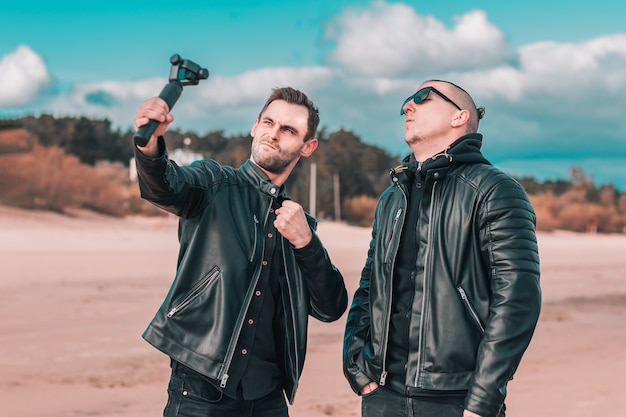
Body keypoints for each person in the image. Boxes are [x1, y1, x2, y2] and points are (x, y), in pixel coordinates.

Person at [133, 86, 348, 417]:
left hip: (268, 398)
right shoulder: (213, 182)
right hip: (200, 388)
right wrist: (149, 143)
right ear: (254, 125)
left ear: (308, 147)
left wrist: (306, 242)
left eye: (288, 130)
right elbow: (163, 185)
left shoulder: (299, 224)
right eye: (268, 122)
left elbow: (330, 307)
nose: (273, 135)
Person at [342, 80, 541, 417]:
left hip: (456, 400)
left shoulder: (495, 190)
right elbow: (369, 286)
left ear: (460, 116)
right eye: (407, 100)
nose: (408, 106)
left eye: (422, 98)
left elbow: (517, 300)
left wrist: (483, 397)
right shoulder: (393, 197)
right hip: (381, 394)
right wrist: (356, 366)